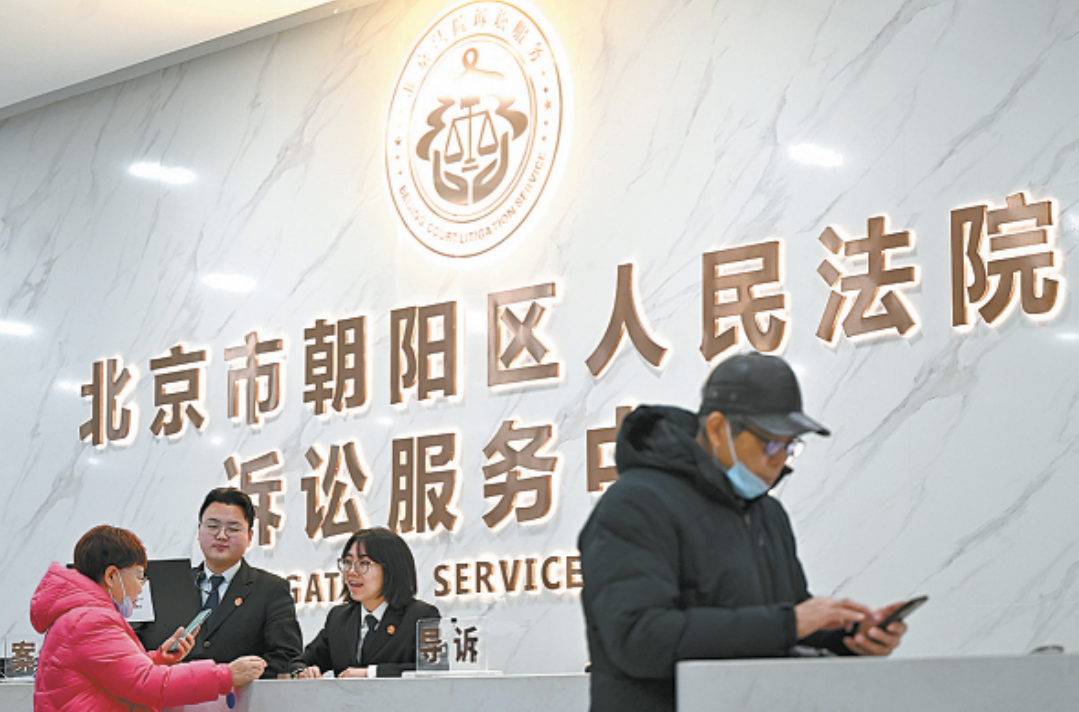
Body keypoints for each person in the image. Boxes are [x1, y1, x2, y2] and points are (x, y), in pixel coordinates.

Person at [577, 352, 910, 712]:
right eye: (771, 444)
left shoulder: (768, 513)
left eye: (790, 446)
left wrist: (849, 638)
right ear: (717, 430)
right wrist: (788, 623)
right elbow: (638, 639)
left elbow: (778, 627)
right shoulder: (636, 504)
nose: (779, 460)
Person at [30, 525, 265, 712]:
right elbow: (148, 684)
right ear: (112, 576)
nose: (141, 587)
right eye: (139, 576)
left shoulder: (80, 616)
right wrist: (224, 676)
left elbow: (118, 674)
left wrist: (160, 659)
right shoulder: (90, 621)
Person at [184, 487, 303, 678]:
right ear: (199, 531)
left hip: (242, 695)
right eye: (213, 526)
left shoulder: (271, 590)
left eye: (233, 528)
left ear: (249, 537)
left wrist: (239, 677)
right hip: (180, 694)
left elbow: (286, 656)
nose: (221, 535)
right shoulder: (175, 585)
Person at [294, 527, 440, 678]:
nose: (351, 571)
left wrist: (370, 673)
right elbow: (300, 663)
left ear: (391, 568)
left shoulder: (421, 616)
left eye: (364, 563)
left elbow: (433, 669)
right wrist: (304, 672)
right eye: (348, 562)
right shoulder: (339, 618)